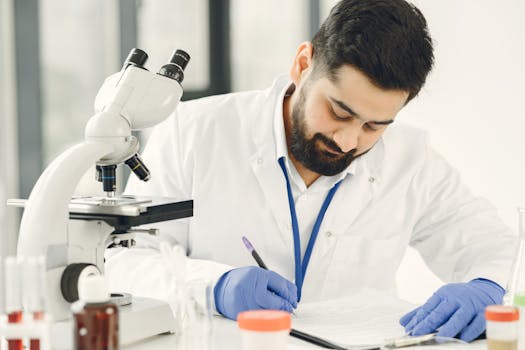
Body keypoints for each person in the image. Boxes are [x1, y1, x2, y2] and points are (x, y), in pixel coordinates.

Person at [105, 0, 516, 342]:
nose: (348, 141)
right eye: (339, 111)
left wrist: (488, 286)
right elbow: (123, 260)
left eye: (375, 126)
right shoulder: (194, 131)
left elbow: (495, 246)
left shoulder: (411, 160)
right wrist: (214, 287)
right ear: (304, 64)